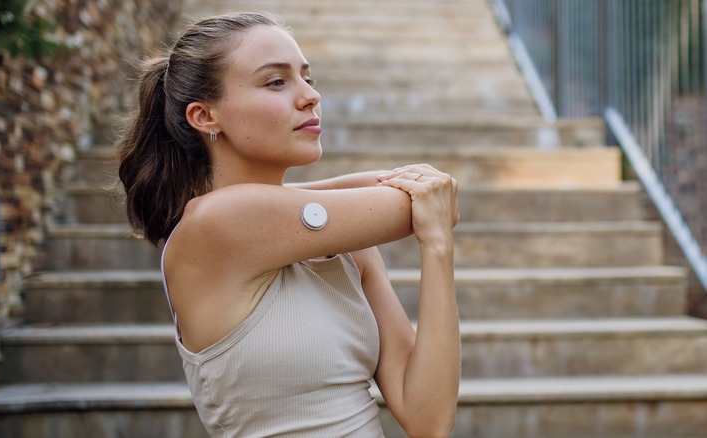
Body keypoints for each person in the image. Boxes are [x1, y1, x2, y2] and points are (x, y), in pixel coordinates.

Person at [117, 12, 461, 437]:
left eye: (307, 78)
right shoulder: (213, 223)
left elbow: (428, 419)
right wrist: (431, 212)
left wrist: (438, 248)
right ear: (206, 117)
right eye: (276, 82)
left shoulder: (344, 237)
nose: (309, 97)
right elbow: (411, 204)